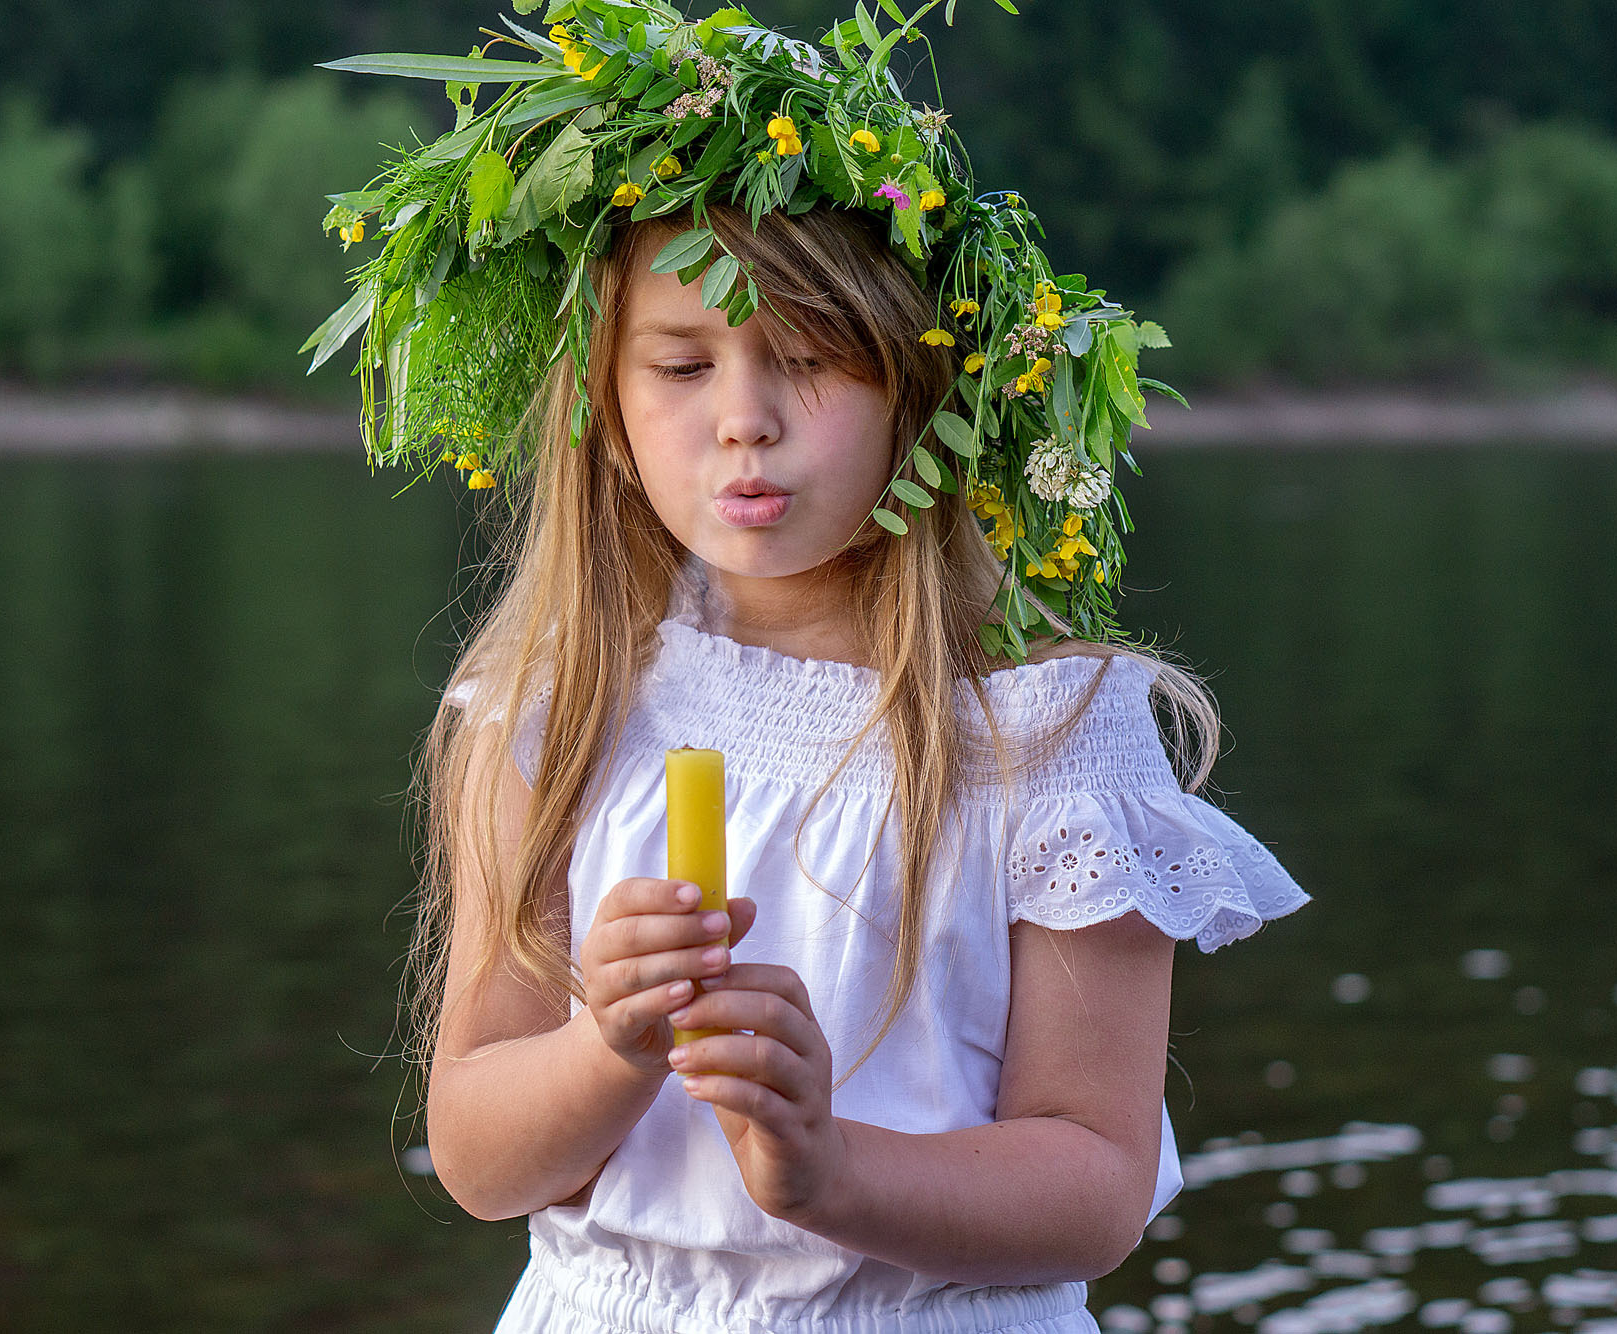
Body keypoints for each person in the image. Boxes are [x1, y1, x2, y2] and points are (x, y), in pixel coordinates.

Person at [312, 4, 1309, 1330]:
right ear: (608, 409)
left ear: (922, 388)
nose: (744, 420)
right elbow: (483, 1155)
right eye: (680, 362)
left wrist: (830, 1162)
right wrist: (607, 1046)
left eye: (805, 358)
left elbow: (1094, 1181)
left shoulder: (1049, 730)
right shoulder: (557, 705)